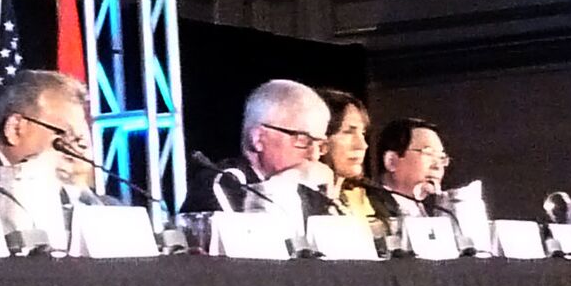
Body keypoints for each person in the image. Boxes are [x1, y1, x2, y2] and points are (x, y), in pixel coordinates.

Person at [181, 77, 337, 215]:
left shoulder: (309, 190)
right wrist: (280, 185)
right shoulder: (222, 182)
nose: (314, 155)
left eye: (320, 144)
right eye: (303, 139)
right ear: (258, 139)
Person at [318, 87, 398, 224]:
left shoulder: (370, 200)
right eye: (348, 132)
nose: (362, 145)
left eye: (363, 133)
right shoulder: (294, 203)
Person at [374, 115, 451, 215]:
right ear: (391, 161)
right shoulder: (369, 208)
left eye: (441, 157)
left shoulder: (441, 210)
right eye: (428, 153)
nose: (437, 166)